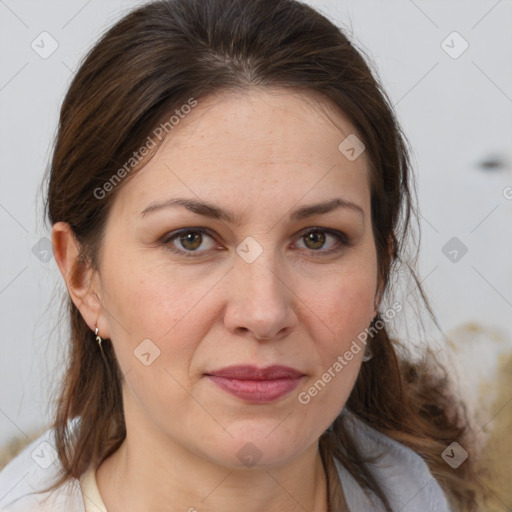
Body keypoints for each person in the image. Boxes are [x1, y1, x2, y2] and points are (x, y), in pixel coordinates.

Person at [0, 0, 488, 510]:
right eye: (191, 239)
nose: (264, 312)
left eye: (317, 238)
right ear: (83, 275)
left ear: (380, 269)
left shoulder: (426, 492)